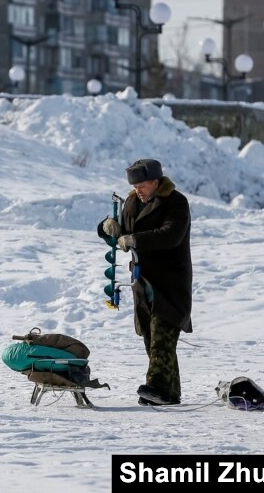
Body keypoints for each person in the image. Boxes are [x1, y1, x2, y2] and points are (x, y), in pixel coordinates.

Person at [97, 158, 192, 406]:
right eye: (135, 185)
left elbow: (171, 235)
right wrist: (107, 228)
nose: (137, 189)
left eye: (142, 185)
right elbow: (123, 230)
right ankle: (170, 392)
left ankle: (157, 388)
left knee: (163, 335)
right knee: (152, 340)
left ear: (155, 181)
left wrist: (135, 240)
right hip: (142, 283)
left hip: (170, 282)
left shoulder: (176, 202)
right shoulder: (131, 202)